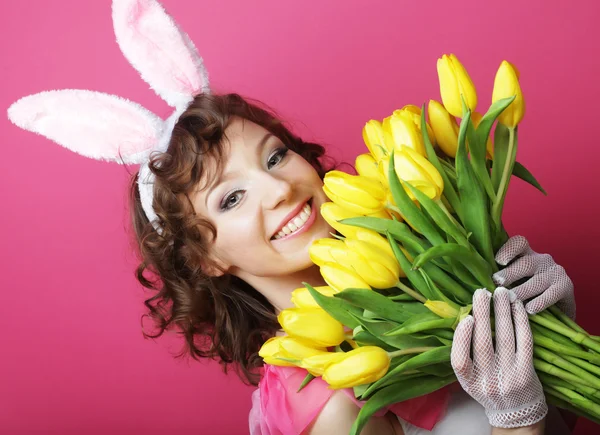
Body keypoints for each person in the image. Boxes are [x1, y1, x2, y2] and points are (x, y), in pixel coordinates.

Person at [7, 1, 577, 434]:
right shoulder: (325, 401)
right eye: (231, 199)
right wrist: (516, 416)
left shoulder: (425, 272)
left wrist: (554, 336)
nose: (280, 189)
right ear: (206, 258)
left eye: (276, 155)